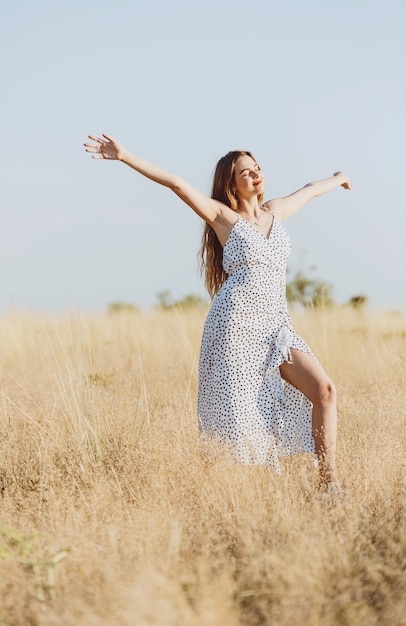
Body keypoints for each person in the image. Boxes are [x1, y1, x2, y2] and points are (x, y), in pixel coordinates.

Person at [84, 134, 351, 494]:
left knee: (325, 390)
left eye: (257, 168)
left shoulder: (276, 212)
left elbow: (310, 189)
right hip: (235, 327)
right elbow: (177, 184)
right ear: (231, 183)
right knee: (234, 419)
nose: (256, 174)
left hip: (276, 326)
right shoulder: (224, 217)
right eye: (246, 172)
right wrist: (125, 155)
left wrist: (338, 178)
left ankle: (329, 486)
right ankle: (212, 492)